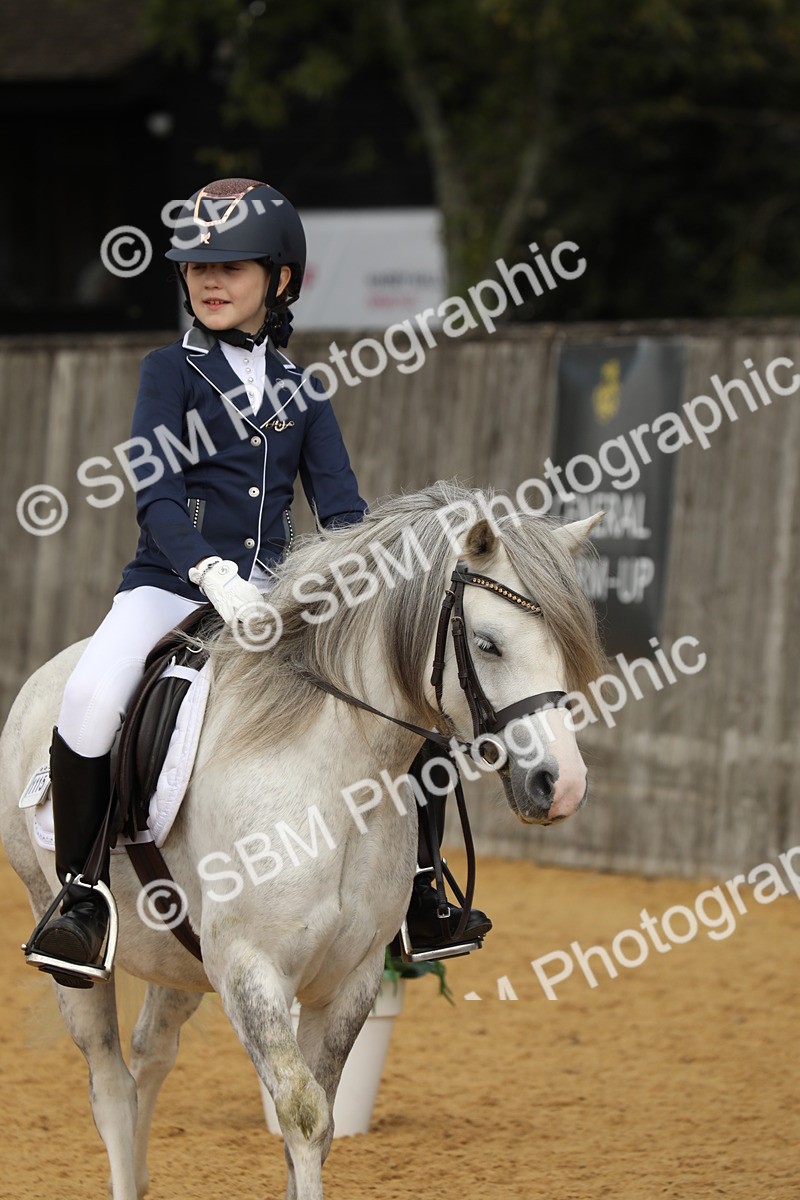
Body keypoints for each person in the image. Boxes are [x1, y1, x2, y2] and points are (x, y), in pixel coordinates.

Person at [27, 177, 488, 989]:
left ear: (279, 280)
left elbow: (344, 511)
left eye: (231, 266)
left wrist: (377, 580)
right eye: (197, 267)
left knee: (409, 704)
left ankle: (419, 892)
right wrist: (209, 571)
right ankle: (83, 895)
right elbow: (156, 493)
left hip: (280, 598)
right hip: (170, 584)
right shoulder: (167, 371)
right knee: (90, 698)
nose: (209, 280)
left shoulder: (304, 393)